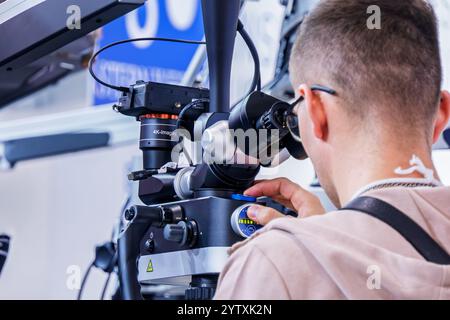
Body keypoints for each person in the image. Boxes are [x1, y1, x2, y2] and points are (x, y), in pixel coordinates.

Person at [214, 0, 450, 299]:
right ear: (441, 114)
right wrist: (321, 233)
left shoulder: (276, 264)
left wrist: (300, 252)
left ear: (315, 110)